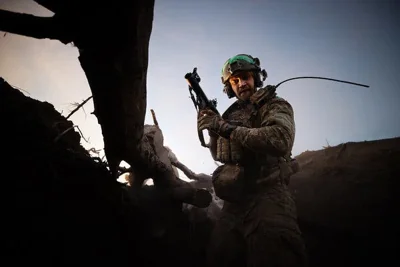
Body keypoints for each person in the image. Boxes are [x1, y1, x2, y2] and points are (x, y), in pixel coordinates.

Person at [197, 54, 307, 267]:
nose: (241, 84)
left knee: (275, 254)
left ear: (256, 77)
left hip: (269, 196)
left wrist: (223, 127)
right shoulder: (229, 114)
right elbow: (219, 156)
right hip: (233, 204)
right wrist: (212, 131)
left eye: (245, 77)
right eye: (234, 81)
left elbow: (280, 139)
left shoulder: (274, 104)